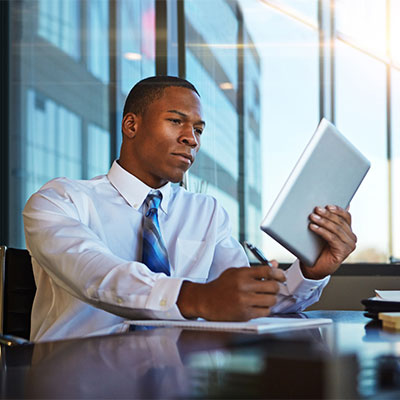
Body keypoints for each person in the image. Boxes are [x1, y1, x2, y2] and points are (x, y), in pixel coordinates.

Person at [23, 76, 357, 341]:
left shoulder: (208, 212)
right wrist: (197, 297)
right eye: (176, 122)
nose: (192, 138)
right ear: (131, 126)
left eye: (198, 129)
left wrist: (312, 269)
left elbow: (246, 299)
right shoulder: (59, 201)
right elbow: (99, 275)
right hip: (73, 379)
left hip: (180, 375)